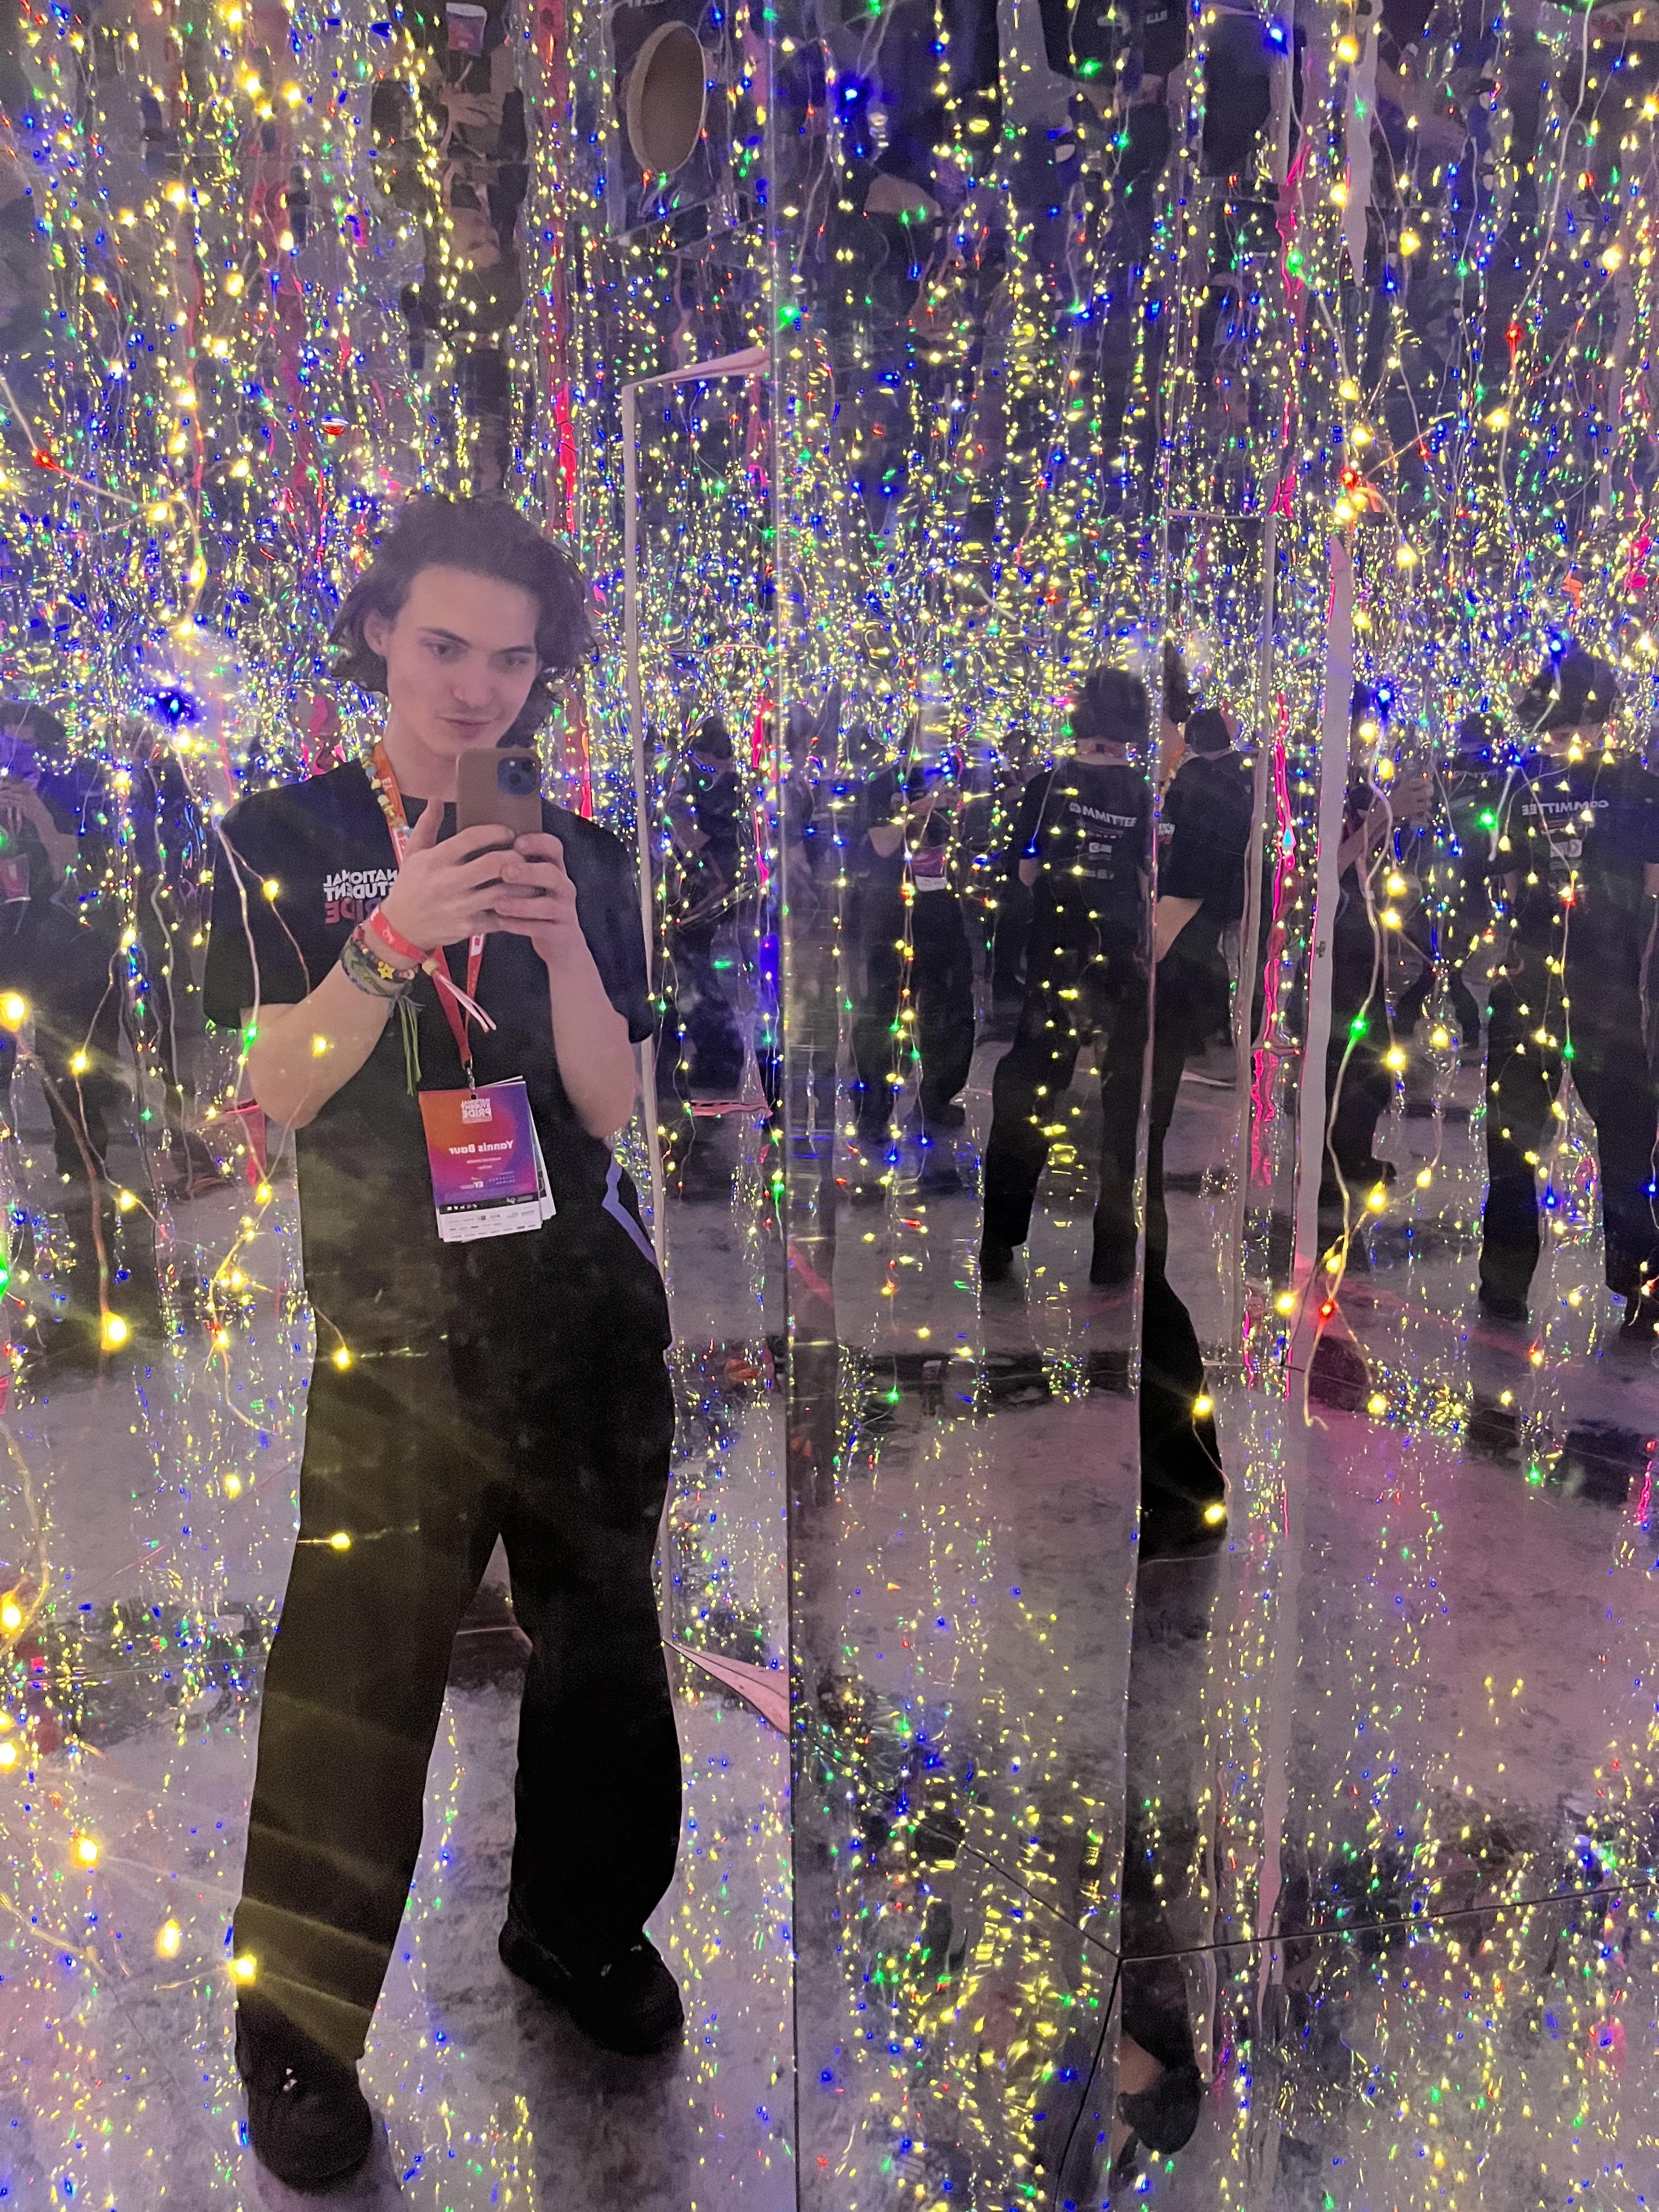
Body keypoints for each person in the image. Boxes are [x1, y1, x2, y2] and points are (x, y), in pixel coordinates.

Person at [202, 496, 680, 2193]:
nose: (478, 689)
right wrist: (395, 935)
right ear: (379, 639)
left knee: (605, 1649)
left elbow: (612, 1109)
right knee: (354, 1677)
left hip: (580, 1317)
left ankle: (579, 1924)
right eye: (443, 647)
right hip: (396, 1331)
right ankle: (297, 2031)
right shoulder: (282, 837)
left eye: (514, 660)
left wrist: (558, 945)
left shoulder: (588, 854)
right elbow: (274, 1089)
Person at [1477, 646, 1659, 1334]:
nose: (1568, 739)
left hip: (1570, 986)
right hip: (1570, 987)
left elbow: (1508, 886)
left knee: (1572, 1137)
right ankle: (1608, 1278)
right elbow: (1652, 892)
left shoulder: (1601, 785)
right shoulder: (1608, 784)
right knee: (1580, 1139)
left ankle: (1609, 1277)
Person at [979, 666, 1153, 1286]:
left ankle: (1000, 1240)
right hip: (1122, 961)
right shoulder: (1141, 791)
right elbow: (1148, 877)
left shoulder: (1048, 786)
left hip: (1057, 958)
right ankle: (1113, 1251)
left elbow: (1024, 874)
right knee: (1121, 1105)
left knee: (1030, 1093)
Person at [1144, 703, 1254, 1271]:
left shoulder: (1194, 781)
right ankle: (1210, 1039)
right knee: (1207, 969)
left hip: (1188, 898)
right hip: (1219, 897)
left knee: (1184, 978)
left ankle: (1199, 1044)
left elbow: (1179, 845)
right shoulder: (1242, 776)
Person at [849, 740, 976, 1172]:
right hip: (890, 914)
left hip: (941, 909)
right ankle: (873, 1113)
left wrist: (950, 810)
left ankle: (935, 1100)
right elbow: (882, 844)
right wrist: (919, 809)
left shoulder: (948, 773)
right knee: (882, 1016)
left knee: (951, 1011)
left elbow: (957, 843)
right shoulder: (880, 780)